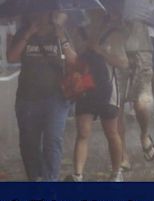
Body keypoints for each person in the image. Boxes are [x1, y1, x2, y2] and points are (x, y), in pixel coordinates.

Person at [7, 11, 77, 181]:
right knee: (29, 143)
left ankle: (50, 181)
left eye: (44, 11)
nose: (39, 16)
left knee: (53, 140)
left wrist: (62, 38)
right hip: (27, 98)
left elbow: (74, 60)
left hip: (56, 98)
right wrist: (29, 33)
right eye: (35, 11)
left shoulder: (60, 33)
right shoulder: (23, 33)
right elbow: (11, 57)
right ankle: (35, 178)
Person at [68, 10, 128, 182]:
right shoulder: (78, 33)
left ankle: (117, 172)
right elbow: (72, 58)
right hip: (85, 89)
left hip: (107, 91)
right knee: (83, 132)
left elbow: (123, 63)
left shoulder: (114, 35)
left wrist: (100, 51)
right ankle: (78, 174)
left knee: (111, 132)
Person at [117, 0, 154, 169]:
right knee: (116, 108)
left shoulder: (148, 8)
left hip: (143, 54)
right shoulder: (118, 1)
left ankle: (144, 134)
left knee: (142, 103)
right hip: (118, 54)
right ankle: (122, 152)